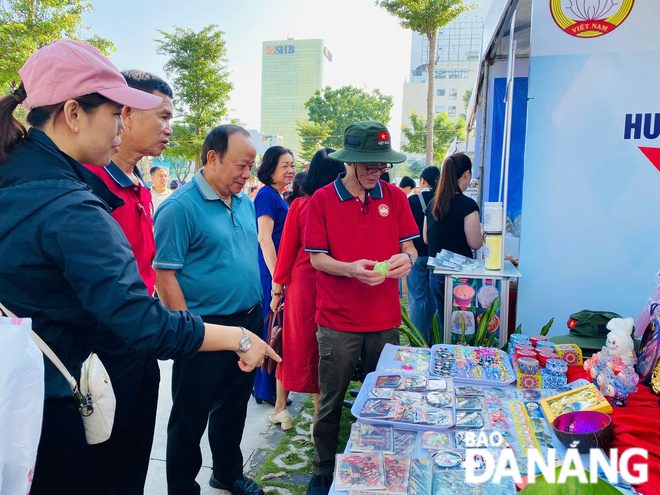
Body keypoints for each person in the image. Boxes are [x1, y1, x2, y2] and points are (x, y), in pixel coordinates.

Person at [0, 40, 278, 495]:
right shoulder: (70, 207)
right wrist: (238, 337)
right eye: (115, 113)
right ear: (73, 114)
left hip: (27, 388)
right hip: (60, 398)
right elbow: (141, 321)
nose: (121, 125)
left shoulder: (20, 177)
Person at [304, 122, 419, 495]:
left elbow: (411, 247)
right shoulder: (322, 199)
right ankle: (323, 469)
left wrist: (406, 260)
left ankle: (379, 462)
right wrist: (350, 269)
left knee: (384, 398)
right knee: (331, 399)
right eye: (368, 164)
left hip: (384, 319)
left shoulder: (395, 198)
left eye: (382, 165)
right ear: (350, 161)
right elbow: (318, 259)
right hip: (338, 320)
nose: (376, 171)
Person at [153, 124, 267, 495]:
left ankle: (227, 472)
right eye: (240, 165)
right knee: (190, 415)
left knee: (234, 405)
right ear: (213, 157)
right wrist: (187, 329)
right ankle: (183, 487)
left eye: (251, 167)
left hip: (248, 320)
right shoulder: (180, 207)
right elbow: (164, 274)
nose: (246, 175)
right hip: (204, 327)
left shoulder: (245, 202)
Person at [80, 70, 173, 494]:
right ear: (126, 114)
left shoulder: (140, 185)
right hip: (99, 348)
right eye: (163, 116)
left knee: (134, 454)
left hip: (139, 338)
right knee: (102, 462)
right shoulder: (87, 183)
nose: (169, 128)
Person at [270, 149, 345, 435]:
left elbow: (286, 251)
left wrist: (277, 290)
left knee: (293, 345)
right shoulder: (338, 205)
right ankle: (318, 418)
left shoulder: (300, 205)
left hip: (302, 286)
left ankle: (282, 410)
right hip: (333, 284)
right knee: (324, 347)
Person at [253, 146, 295, 406]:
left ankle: (263, 387)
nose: (291, 170)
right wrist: (277, 279)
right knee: (271, 328)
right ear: (270, 169)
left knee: (273, 328)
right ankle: (264, 389)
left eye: (292, 165)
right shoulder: (267, 195)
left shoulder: (278, 195)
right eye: (284, 166)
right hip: (271, 271)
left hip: (277, 270)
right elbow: (264, 238)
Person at [424, 153, 483, 322]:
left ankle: (442, 348)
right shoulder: (468, 205)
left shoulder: (433, 202)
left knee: (444, 323)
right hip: (460, 276)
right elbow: (475, 243)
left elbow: (426, 238)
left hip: (435, 272)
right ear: (467, 174)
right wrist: (483, 234)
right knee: (461, 326)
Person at [406, 166, 441, 342]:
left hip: (415, 254)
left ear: (422, 180)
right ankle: (435, 337)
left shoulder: (412, 200)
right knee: (434, 297)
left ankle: (419, 339)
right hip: (436, 256)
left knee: (416, 297)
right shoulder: (442, 199)